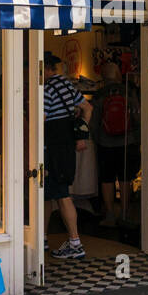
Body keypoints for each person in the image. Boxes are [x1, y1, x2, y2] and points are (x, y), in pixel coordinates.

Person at [44, 52, 92, 259]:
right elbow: (87, 108)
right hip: (65, 146)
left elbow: (42, 117)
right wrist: (82, 133)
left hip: (52, 148)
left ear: (46, 68)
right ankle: (41, 237)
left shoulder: (46, 89)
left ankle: (75, 243)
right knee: (45, 194)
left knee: (62, 195)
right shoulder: (68, 86)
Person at [90, 62, 140, 229]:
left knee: (107, 178)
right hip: (128, 141)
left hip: (105, 143)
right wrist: (137, 137)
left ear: (103, 77)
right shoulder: (129, 91)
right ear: (118, 74)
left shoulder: (98, 95)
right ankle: (125, 213)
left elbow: (94, 122)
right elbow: (137, 116)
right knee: (126, 177)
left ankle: (110, 213)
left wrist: (97, 139)